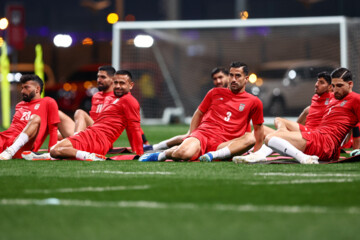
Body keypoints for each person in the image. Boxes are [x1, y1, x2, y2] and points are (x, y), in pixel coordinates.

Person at [139, 62, 264, 162]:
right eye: (231, 75)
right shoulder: (214, 92)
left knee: (250, 138)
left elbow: (258, 130)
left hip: (225, 143)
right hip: (204, 135)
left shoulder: (254, 101)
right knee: (183, 153)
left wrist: (256, 154)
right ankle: (161, 155)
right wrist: (192, 135)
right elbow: (198, 113)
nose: (233, 79)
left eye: (238, 76)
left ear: (246, 79)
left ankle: (213, 155)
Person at [246, 67, 360, 164]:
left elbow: (356, 125)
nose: (335, 90)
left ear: (350, 84)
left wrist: (356, 148)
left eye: (339, 85)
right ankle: (259, 155)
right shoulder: (334, 98)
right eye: (334, 86)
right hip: (317, 136)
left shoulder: (355, 99)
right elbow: (310, 110)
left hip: (325, 143)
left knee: (271, 138)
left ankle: (303, 158)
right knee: (270, 136)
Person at [233, 71, 333, 163]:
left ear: (330, 87)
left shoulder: (334, 99)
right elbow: (305, 115)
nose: (316, 84)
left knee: (272, 137)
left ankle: (259, 154)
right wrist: (293, 133)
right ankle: (265, 146)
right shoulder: (316, 97)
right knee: (265, 127)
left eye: (321, 82)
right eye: (317, 81)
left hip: (314, 137)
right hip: (307, 131)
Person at [49, 70, 144, 161]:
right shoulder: (114, 99)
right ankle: (86, 154)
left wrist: (139, 152)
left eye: (122, 83)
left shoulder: (129, 100)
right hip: (91, 134)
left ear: (131, 85)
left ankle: (88, 156)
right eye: (116, 83)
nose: (118, 86)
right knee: (55, 149)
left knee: (54, 150)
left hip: (97, 140)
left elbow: (134, 128)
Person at [149, 67, 230, 152]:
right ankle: (157, 148)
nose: (218, 81)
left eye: (220, 77)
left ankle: (159, 148)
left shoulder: (238, 94)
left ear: (228, 77)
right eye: (215, 79)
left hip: (222, 129)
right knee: (188, 137)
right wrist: (192, 133)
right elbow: (199, 112)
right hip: (209, 127)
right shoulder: (213, 93)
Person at [0, 74, 59, 160]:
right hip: (6, 139)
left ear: (37, 89)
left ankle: (11, 151)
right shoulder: (19, 105)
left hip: (23, 145)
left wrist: (51, 153)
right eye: (22, 88)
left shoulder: (48, 102)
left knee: (35, 118)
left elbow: (53, 130)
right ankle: (8, 151)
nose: (22, 91)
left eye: (26, 87)